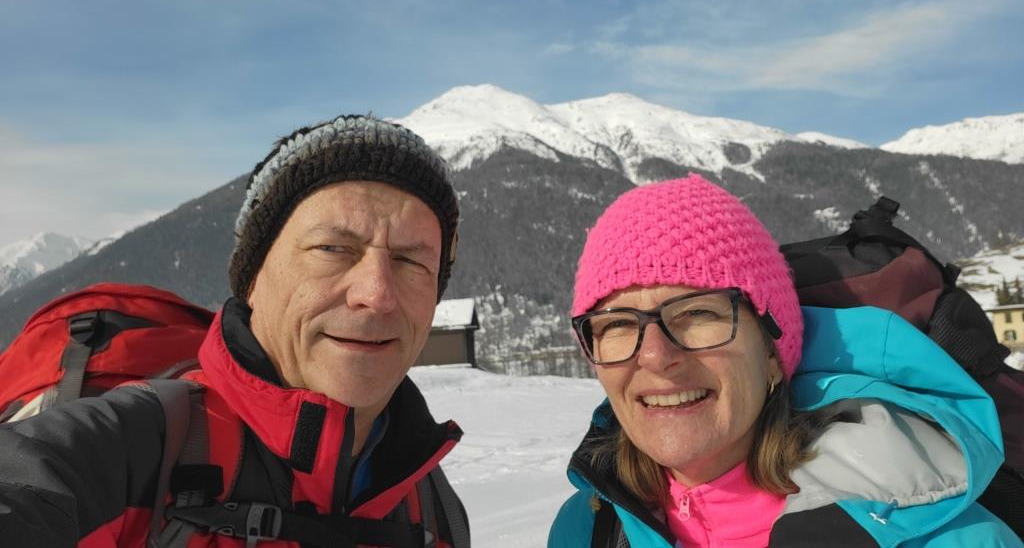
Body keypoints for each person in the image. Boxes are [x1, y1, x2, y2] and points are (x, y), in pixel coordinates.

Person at [0, 115, 470, 547]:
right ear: (253, 279)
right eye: (332, 248)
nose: (378, 294)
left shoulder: (432, 504)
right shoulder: (125, 453)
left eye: (411, 261)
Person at [548, 174, 1020, 547]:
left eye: (697, 313)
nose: (654, 354)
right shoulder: (588, 529)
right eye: (616, 324)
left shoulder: (949, 538)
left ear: (773, 352)